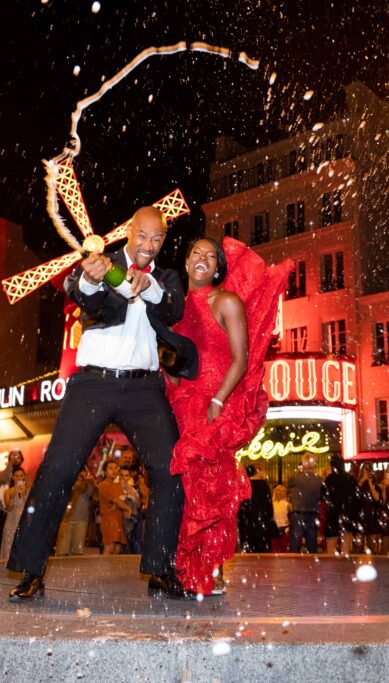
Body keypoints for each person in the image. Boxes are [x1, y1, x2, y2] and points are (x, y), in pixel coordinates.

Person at [6, 206, 198, 602]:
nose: (148, 245)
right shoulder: (102, 263)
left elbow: (173, 308)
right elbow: (84, 296)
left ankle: (160, 568)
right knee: (58, 469)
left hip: (145, 389)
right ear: (128, 232)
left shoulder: (166, 276)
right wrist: (93, 282)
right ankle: (30, 570)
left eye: (156, 239)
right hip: (94, 383)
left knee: (170, 470)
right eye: (142, 236)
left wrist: (149, 286)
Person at [166, 236, 291, 595]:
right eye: (196, 253)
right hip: (182, 403)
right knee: (186, 488)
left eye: (210, 255)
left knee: (212, 488)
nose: (202, 259)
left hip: (214, 404)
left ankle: (211, 569)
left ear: (218, 267)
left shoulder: (226, 302)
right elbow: (174, 367)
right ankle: (186, 566)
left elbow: (241, 358)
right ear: (187, 262)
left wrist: (219, 401)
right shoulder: (174, 309)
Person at [323, 455, 359, 556]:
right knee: (346, 549)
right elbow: (356, 498)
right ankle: (344, 570)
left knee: (331, 550)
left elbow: (323, 496)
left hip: (332, 516)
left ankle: (331, 571)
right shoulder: (350, 478)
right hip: (347, 516)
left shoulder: (329, 480)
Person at [237, 464, 277, 554]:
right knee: (263, 554)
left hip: (247, 524)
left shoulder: (243, 485)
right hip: (261, 524)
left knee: (248, 553)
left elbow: (240, 506)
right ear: (257, 471)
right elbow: (268, 506)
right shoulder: (263, 486)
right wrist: (268, 516)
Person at [55, 469, 95, 556]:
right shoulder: (66, 483)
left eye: (82, 471)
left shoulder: (87, 484)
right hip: (66, 519)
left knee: (77, 550)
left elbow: (93, 493)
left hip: (82, 519)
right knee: (62, 549)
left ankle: (75, 568)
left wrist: (88, 480)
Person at [288, 457, 323, 553]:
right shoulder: (319, 479)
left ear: (304, 463)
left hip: (298, 513)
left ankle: (294, 565)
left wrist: (299, 472)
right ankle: (313, 565)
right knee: (312, 544)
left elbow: (289, 483)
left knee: (295, 544)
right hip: (313, 513)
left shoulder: (296, 477)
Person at [96, 461, 131, 555]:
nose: (114, 470)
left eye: (116, 468)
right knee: (110, 546)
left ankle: (111, 570)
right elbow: (116, 500)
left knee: (117, 548)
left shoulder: (118, 485)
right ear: (105, 471)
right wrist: (128, 508)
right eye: (110, 468)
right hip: (109, 518)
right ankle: (102, 569)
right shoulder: (104, 484)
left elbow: (123, 498)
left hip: (118, 518)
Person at [0, 468, 29, 562]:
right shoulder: (8, 491)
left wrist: (24, 494)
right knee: (10, 544)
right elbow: (9, 508)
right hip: (12, 521)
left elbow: (31, 507)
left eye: (21, 475)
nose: (19, 478)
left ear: (24, 477)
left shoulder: (29, 490)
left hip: (25, 520)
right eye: (16, 476)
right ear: (13, 477)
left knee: (25, 543)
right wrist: (14, 494)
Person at [354, 463, 381, 554]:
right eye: (366, 469)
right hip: (360, 518)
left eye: (369, 469)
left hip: (372, 518)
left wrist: (370, 483)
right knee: (359, 545)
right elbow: (354, 494)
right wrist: (363, 479)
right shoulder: (358, 484)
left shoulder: (376, 486)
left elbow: (377, 498)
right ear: (362, 471)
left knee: (372, 547)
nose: (368, 471)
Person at [270, 484, 291, 553]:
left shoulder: (288, 504)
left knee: (284, 550)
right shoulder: (271, 503)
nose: (280, 492)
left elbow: (293, 516)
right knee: (273, 550)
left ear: (285, 493)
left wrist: (290, 521)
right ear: (275, 492)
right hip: (273, 529)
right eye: (278, 490)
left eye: (283, 491)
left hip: (285, 530)